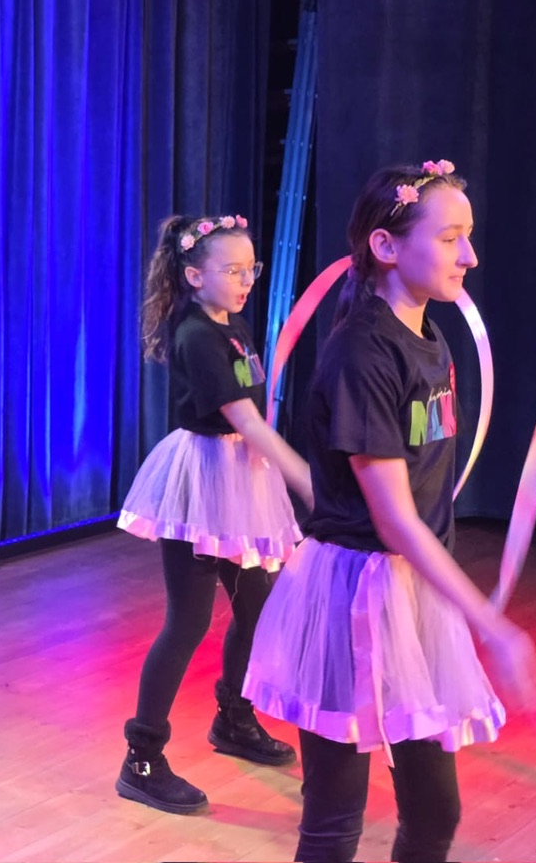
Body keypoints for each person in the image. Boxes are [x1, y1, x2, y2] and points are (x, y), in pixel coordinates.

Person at [243, 161, 536, 862]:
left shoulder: (428, 338)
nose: (470, 256)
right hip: (352, 593)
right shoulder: (363, 352)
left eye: (468, 236)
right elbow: (395, 519)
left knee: (436, 811)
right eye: (449, 238)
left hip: (410, 594)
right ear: (386, 246)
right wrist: (492, 625)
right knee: (334, 820)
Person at [115, 213, 314, 814]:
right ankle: (141, 759)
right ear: (195, 275)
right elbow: (247, 421)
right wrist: (309, 482)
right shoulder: (196, 335)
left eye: (251, 268)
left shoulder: (233, 324)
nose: (247, 280)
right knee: (189, 620)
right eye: (232, 270)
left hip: (240, 478)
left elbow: (253, 412)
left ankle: (233, 717)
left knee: (259, 606)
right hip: (202, 485)